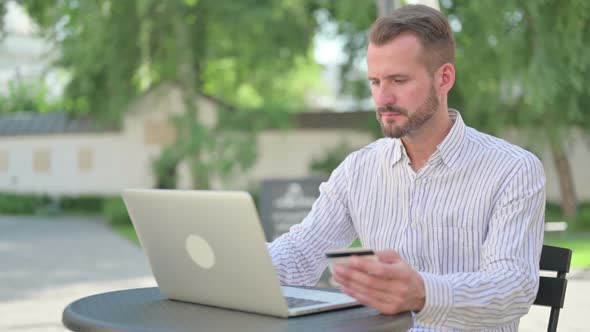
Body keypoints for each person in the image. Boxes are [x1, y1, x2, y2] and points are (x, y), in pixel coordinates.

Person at [267, 4, 545, 331]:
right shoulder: (358, 170)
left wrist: (423, 293)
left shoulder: (512, 170)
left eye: (398, 80)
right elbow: (301, 252)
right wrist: (234, 266)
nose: (383, 98)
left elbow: (511, 289)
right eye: (375, 81)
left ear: (444, 78)